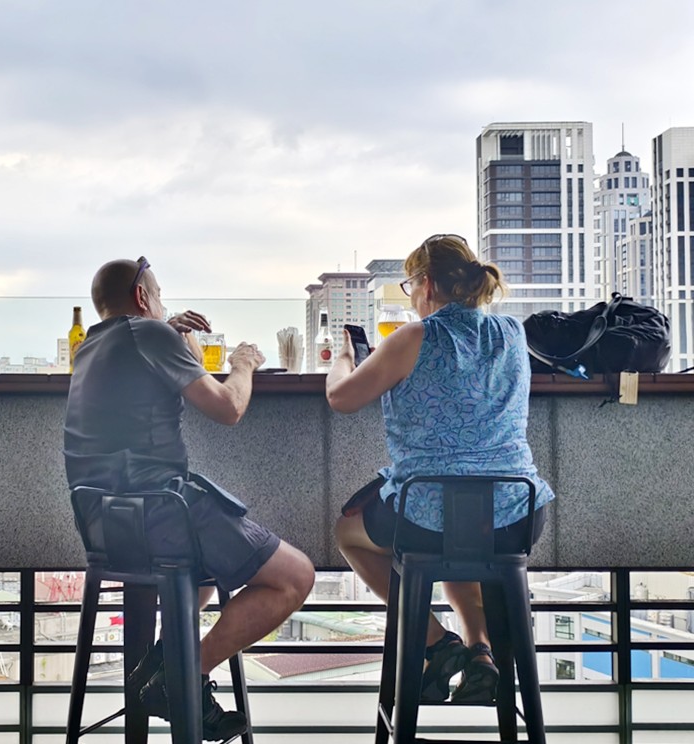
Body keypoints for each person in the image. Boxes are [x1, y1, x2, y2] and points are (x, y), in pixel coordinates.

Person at [65, 256, 315, 741]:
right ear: (143, 298)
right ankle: (185, 674)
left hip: (105, 524)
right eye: (160, 296)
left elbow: (143, 353)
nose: (164, 306)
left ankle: (166, 665)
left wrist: (167, 330)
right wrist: (243, 363)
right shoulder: (150, 334)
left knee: (204, 575)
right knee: (295, 576)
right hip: (160, 510)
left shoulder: (92, 346)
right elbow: (227, 408)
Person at [325, 234, 555, 703]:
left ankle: (436, 642)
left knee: (350, 533)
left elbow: (341, 398)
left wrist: (345, 359)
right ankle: (480, 655)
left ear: (426, 283)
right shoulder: (512, 332)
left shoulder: (412, 337)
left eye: (411, 286)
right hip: (517, 515)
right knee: (460, 533)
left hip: (430, 514)